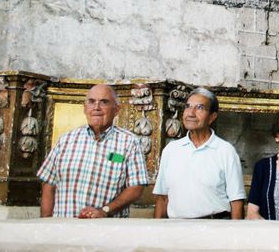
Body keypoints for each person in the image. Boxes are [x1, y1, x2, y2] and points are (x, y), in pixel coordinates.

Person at [38, 84, 149, 218]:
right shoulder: (66, 140)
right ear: (85, 109)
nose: (96, 107)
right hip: (64, 229)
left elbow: (136, 187)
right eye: (91, 102)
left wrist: (104, 211)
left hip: (106, 231)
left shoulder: (130, 143)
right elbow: (49, 184)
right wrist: (46, 223)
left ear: (117, 110)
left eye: (104, 102)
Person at [153, 87, 245, 219]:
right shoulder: (171, 150)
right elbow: (162, 198)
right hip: (176, 229)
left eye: (200, 108)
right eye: (188, 106)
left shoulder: (225, 151)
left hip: (215, 228)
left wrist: (234, 236)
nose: (191, 113)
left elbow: (236, 201)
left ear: (212, 117)